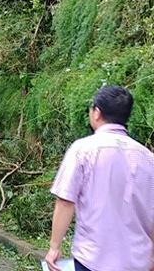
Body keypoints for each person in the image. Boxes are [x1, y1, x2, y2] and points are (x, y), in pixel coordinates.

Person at [46, 85, 154, 271]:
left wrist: (54, 247)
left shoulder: (83, 150)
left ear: (97, 112)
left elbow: (65, 202)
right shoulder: (147, 158)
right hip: (138, 262)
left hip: (92, 260)